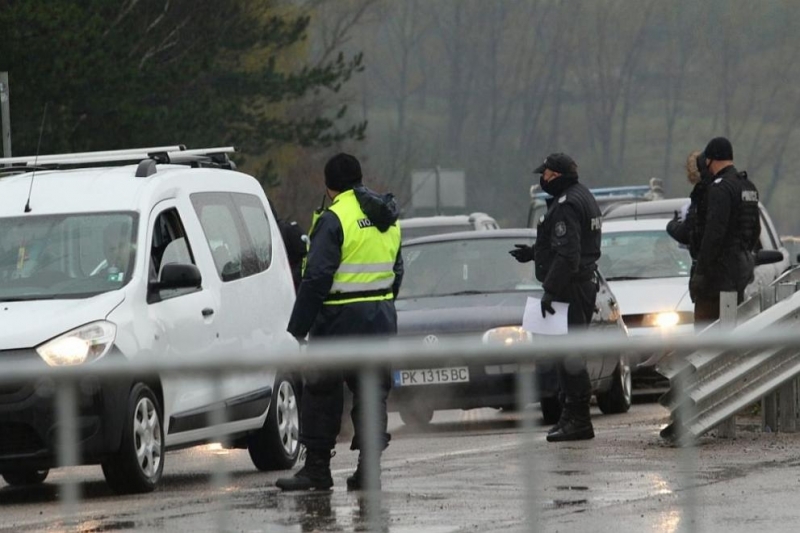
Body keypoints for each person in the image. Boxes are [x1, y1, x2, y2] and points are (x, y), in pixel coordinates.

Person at [276, 153, 403, 491]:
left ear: (329, 186)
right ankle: (369, 471)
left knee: (321, 391)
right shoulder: (386, 215)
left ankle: (317, 469)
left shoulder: (334, 218)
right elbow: (398, 271)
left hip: (337, 320)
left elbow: (317, 277)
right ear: (359, 178)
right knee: (372, 391)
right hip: (379, 318)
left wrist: (298, 327)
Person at [509, 153, 602, 442]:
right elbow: (569, 245)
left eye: (546, 174)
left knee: (570, 356)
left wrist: (550, 290)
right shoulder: (582, 195)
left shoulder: (566, 204)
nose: (542, 180)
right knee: (566, 355)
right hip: (578, 284)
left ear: (557, 175)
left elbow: (569, 254)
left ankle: (578, 420)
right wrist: (536, 252)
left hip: (570, 289)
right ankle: (570, 417)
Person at [688, 137, 760, 326]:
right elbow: (755, 231)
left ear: (711, 159)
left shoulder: (720, 189)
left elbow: (713, 236)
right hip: (740, 275)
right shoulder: (748, 186)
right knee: (734, 333)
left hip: (717, 279)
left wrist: (700, 274)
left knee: (707, 342)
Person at [270, 202, 308, 292]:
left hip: (294, 287)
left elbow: (306, 256)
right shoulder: (265, 235)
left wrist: (292, 277)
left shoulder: (287, 230)